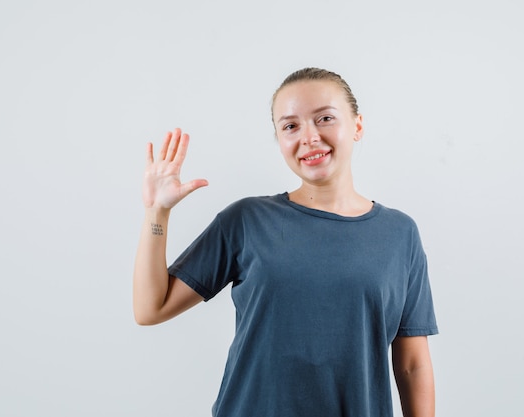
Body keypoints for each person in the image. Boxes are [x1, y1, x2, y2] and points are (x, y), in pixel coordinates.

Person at [133, 67, 438, 417]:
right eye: (291, 126)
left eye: (324, 118)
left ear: (357, 126)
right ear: (279, 139)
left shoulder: (399, 234)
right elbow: (150, 309)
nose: (308, 137)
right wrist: (157, 212)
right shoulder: (247, 220)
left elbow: (413, 364)